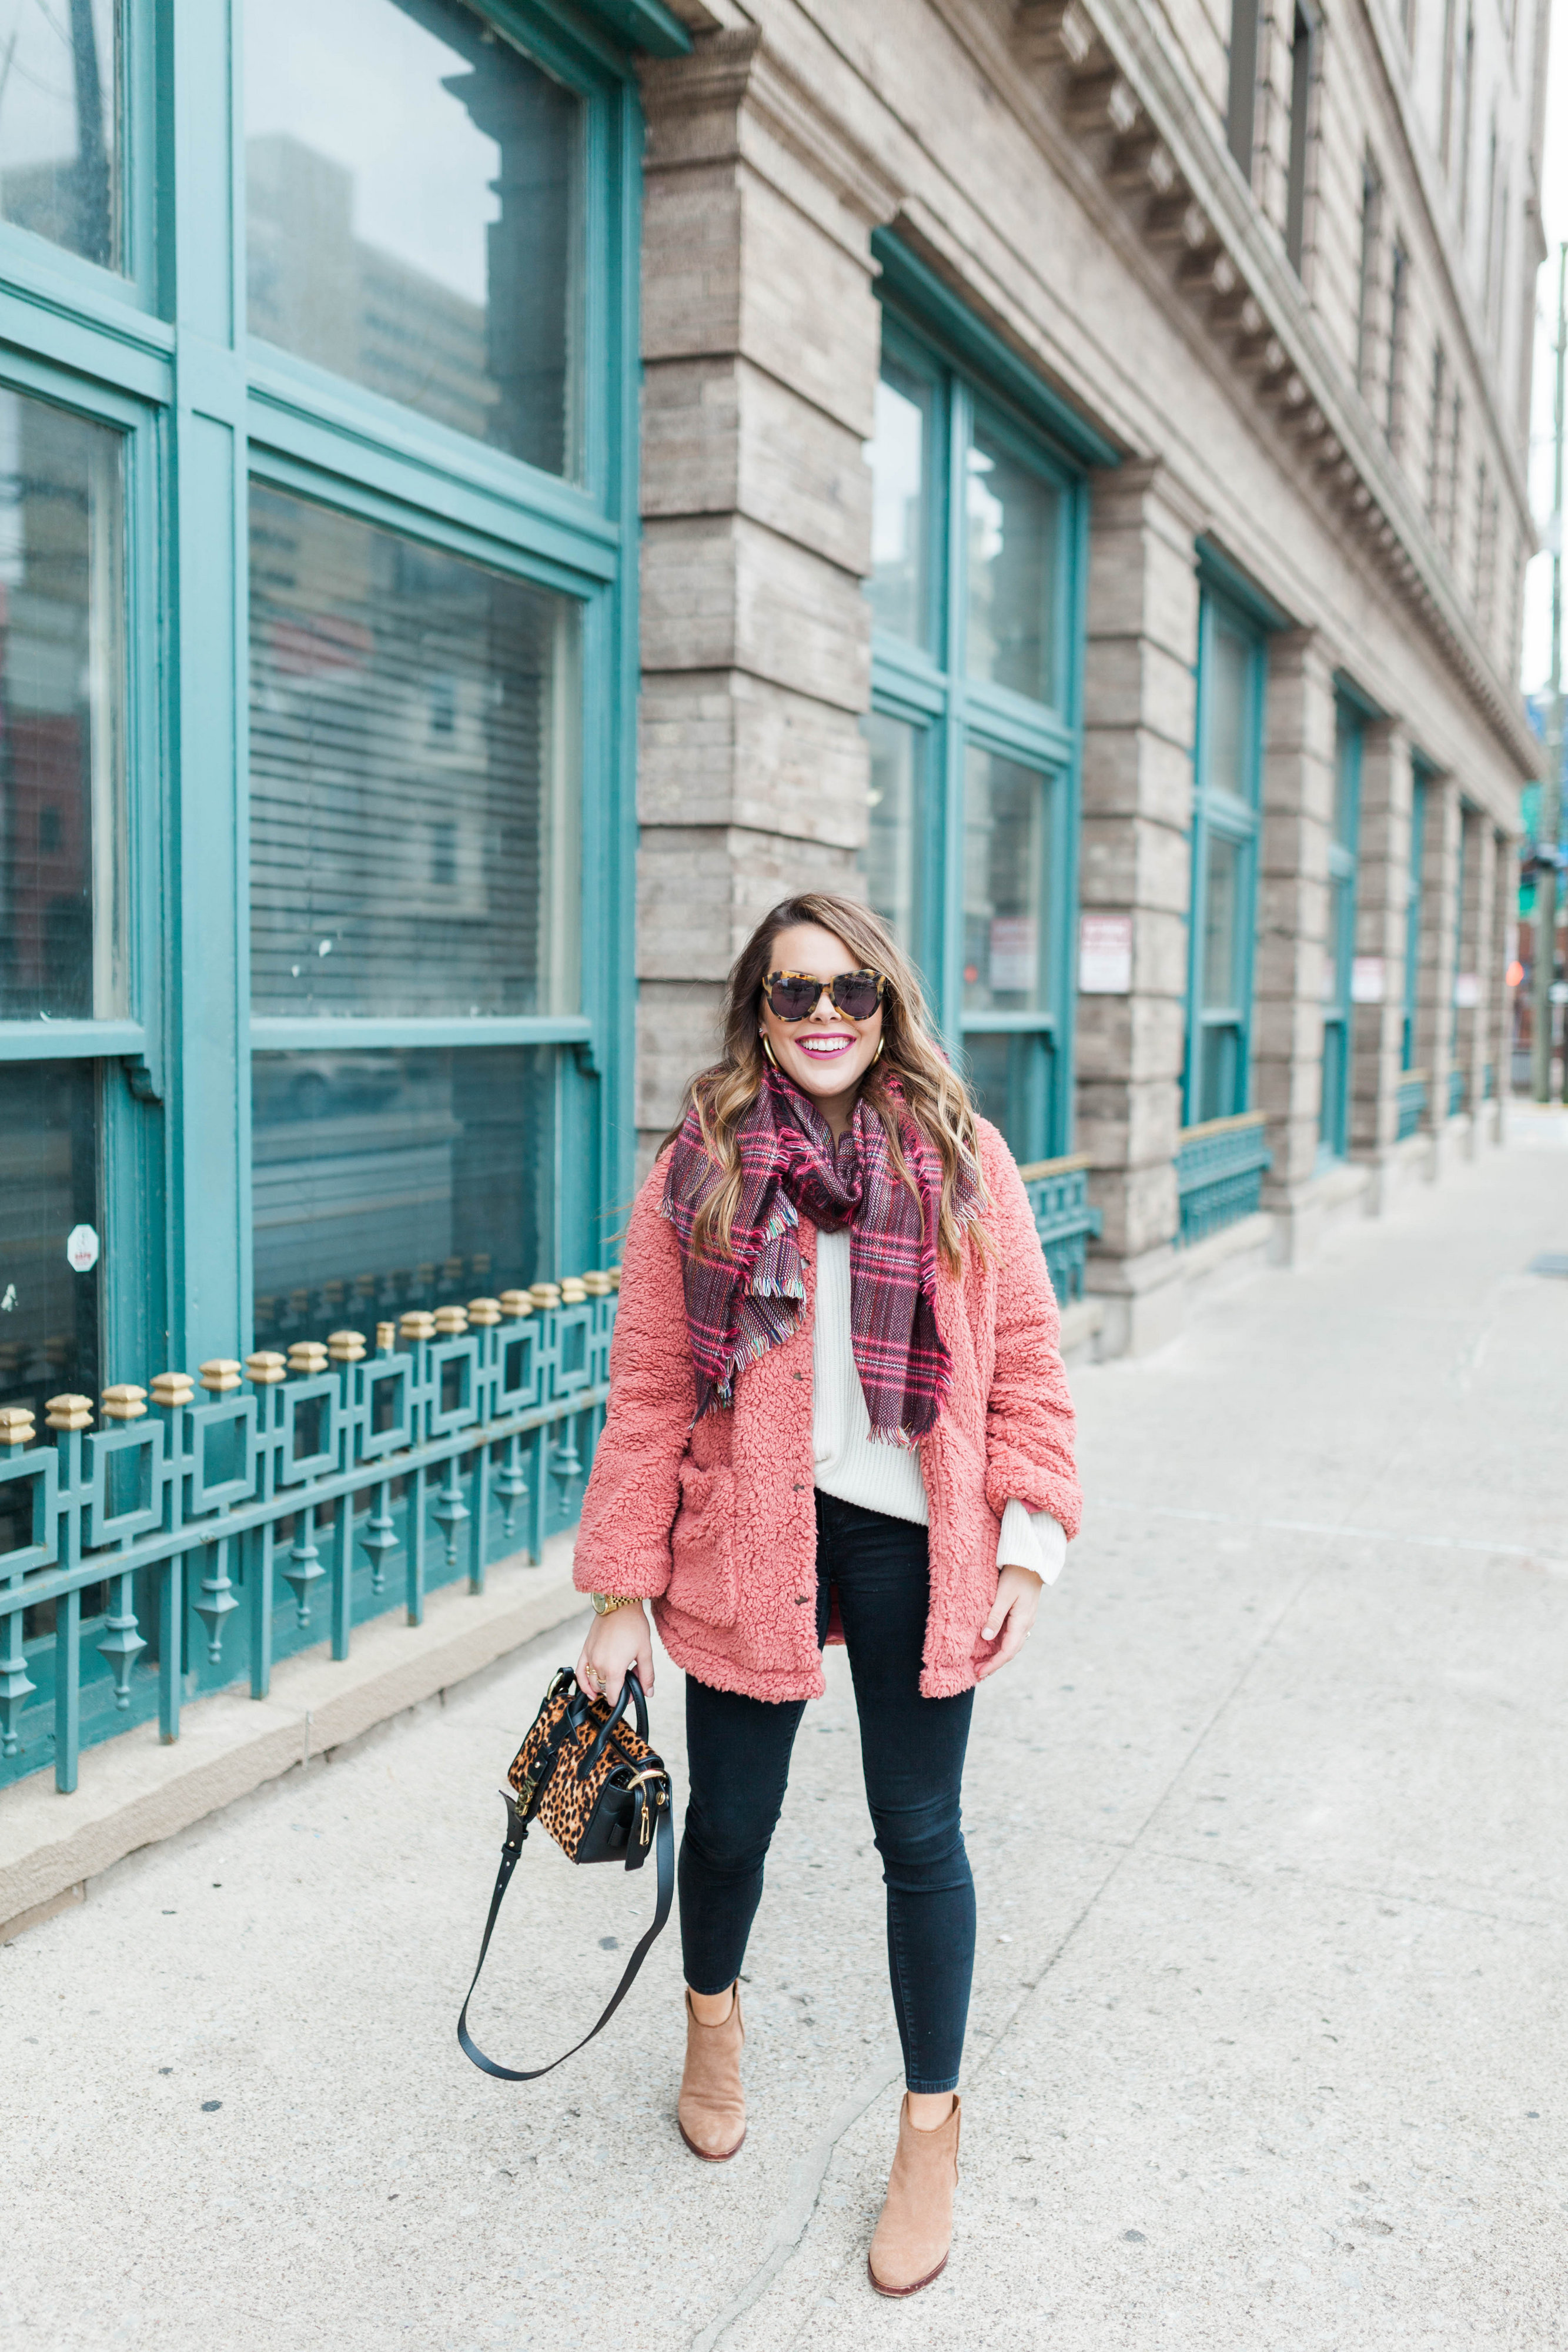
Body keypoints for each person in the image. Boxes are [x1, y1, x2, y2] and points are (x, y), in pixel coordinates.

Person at [571, 891, 1081, 2296]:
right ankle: (709, 2012)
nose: (821, 1020)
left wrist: (1029, 1539)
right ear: (756, 1007)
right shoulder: (700, 1169)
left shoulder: (961, 1159)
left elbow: (1027, 1363)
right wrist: (620, 1586)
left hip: (918, 1534)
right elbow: (652, 1388)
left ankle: (929, 2127)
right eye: (792, 994)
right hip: (751, 1527)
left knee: (919, 1832)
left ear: (886, 1003)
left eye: (849, 992)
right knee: (731, 1820)